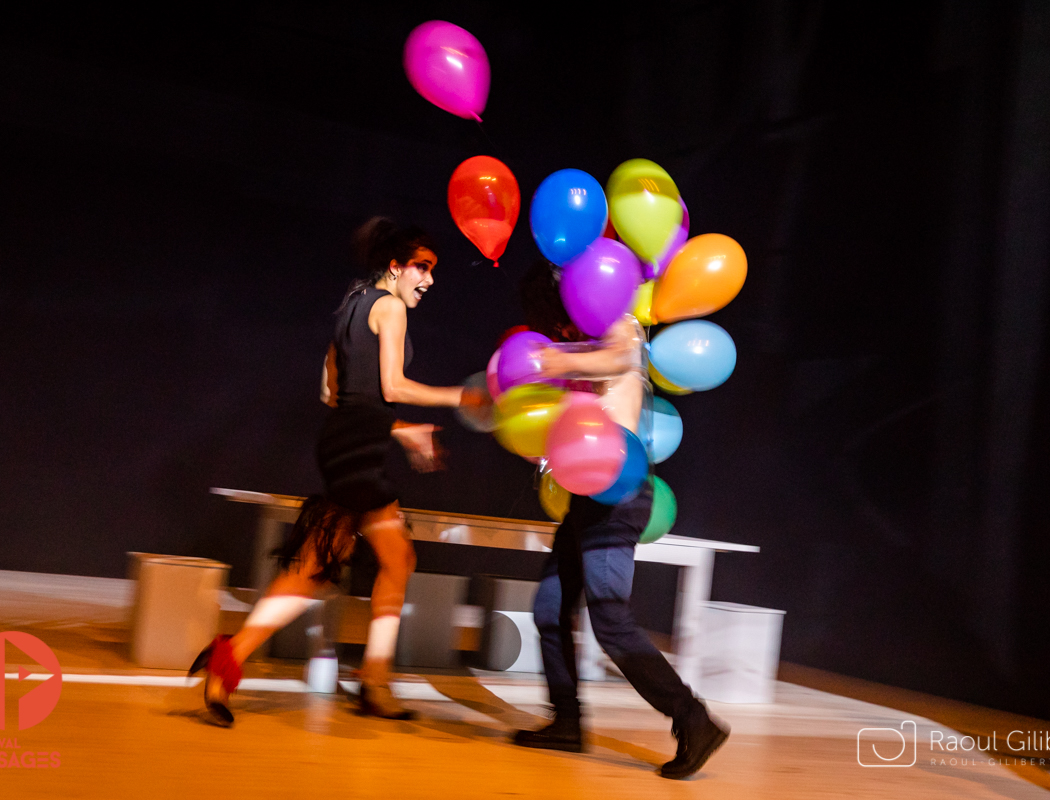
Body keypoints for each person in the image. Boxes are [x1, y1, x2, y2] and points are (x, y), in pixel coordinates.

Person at [191, 217, 486, 724]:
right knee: (320, 571)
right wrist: (462, 397)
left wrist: (399, 431)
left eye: (432, 270)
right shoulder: (391, 307)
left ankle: (371, 679)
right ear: (395, 267)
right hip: (357, 452)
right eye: (422, 267)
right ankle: (237, 658)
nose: (429, 280)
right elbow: (390, 387)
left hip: (349, 446)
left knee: (388, 560)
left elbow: (333, 393)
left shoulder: (351, 305)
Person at [510, 259, 730, 780]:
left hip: (620, 487)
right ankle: (566, 722)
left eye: (561, 316)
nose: (561, 328)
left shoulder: (618, 322)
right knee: (548, 608)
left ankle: (693, 718)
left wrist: (554, 361)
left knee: (610, 618)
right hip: (589, 494)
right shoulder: (577, 341)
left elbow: (619, 357)